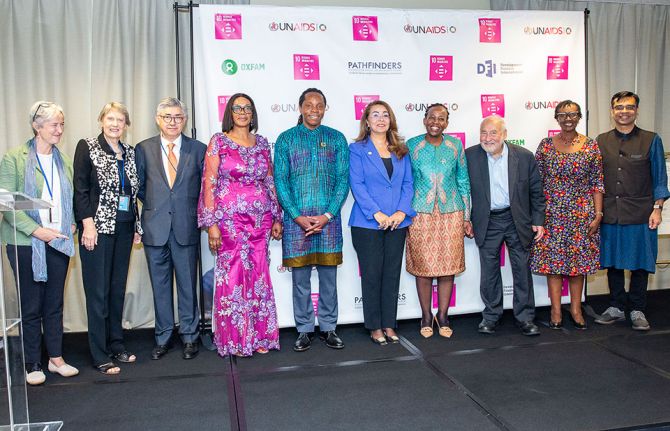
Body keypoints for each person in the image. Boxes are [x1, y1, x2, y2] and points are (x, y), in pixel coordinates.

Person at [198, 93, 282, 357]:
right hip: (229, 221)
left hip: (260, 220)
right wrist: (211, 224)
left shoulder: (262, 143)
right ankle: (235, 338)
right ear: (229, 113)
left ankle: (260, 337)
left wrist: (277, 216)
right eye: (237, 108)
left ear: (253, 112)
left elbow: (269, 181)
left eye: (247, 108)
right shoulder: (219, 141)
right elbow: (209, 183)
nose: (243, 112)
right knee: (232, 277)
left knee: (259, 276)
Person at [0, 101, 79, 385]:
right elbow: (6, 203)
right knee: (31, 304)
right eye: (54, 125)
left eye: (61, 124)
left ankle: (56, 358)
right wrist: (36, 231)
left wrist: (70, 223)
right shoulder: (14, 158)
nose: (59, 130)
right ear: (37, 126)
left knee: (54, 303)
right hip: (25, 243)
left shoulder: (64, 159)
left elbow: (68, 198)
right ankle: (33, 363)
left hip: (59, 240)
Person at [274, 88, 350, 352]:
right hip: (297, 223)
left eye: (319, 105)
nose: (314, 110)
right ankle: (304, 329)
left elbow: (343, 180)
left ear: (325, 108)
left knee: (329, 279)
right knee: (300, 280)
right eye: (309, 105)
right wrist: (296, 216)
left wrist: (327, 215)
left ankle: (329, 327)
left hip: (329, 222)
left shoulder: (337, 138)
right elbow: (280, 181)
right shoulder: (286, 140)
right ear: (300, 108)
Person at [73, 102, 141, 375]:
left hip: (125, 228)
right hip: (97, 230)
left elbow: (132, 192)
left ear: (126, 124)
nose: (115, 124)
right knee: (98, 293)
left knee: (116, 291)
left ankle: (116, 345)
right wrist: (87, 224)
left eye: (120, 120)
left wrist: (137, 224)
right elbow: (80, 188)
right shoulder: (87, 146)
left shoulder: (130, 152)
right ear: (101, 120)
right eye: (110, 119)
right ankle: (100, 354)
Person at [136, 98, 206, 360]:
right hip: (155, 228)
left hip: (186, 227)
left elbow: (203, 189)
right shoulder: (143, 149)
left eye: (177, 117)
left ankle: (190, 336)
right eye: (167, 117)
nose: (172, 121)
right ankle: (163, 336)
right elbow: (140, 187)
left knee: (188, 284)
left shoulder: (198, 149)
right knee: (160, 285)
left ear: (184, 120)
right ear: (158, 119)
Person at [594, 91, 670, 331]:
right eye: (619, 107)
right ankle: (616, 306)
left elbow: (660, 179)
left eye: (629, 107)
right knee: (613, 262)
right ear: (612, 111)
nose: (624, 111)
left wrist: (657, 209)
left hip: (641, 213)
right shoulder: (601, 140)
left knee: (640, 262)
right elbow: (595, 179)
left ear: (637, 110)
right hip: (610, 212)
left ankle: (637, 308)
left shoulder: (651, 139)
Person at [466, 115, 545, 336]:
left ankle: (526, 318)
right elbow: (463, 190)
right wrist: (465, 218)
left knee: (521, 269)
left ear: (504, 135)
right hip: (487, 220)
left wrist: (538, 220)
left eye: (493, 133)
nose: (488, 137)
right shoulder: (470, 156)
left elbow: (536, 192)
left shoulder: (525, 157)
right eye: (484, 132)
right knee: (489, 271)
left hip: (517, 219)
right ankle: (491, 316)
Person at [530, 100, 604, 330]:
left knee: (578, 264)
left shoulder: (591, 146)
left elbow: (597, 183)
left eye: (573, 114)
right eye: (562, 114)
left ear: (579, 116)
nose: (568, 118)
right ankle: (554, 309)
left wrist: (598, 213)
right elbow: (536, 183)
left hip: (582, 213)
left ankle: (575, 308)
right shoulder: (545, 146)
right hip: (551, 213)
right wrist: (537, 216)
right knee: (553, 264)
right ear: (556, 118)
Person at [349, 101, 415, 345]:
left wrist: (400, 212)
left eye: (385, 114)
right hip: (367, 224)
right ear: (366, 121)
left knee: (391, 274)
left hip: (397, 223)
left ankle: (389, 324)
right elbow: (357, 184)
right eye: (374, 115)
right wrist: (376, 213)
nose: (380, 119)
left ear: (391, 120)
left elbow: (408, 184)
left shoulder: (401, 150)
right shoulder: (356, 149)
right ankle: (374, 326)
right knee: (372, 274)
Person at [405, 103, 470, 338]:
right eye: (432, 117)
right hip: (420, 213)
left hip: (451, 211)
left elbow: (463, 180)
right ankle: (425, 314)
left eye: (441, 119)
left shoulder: (455, 146)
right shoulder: (412, 146)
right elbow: (406, 182)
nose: (436, 122)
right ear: (424, 120)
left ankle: (442, 315)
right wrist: (404, 212)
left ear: (447, 123)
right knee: (423, 267)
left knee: (448, 266)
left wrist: (467, 216)